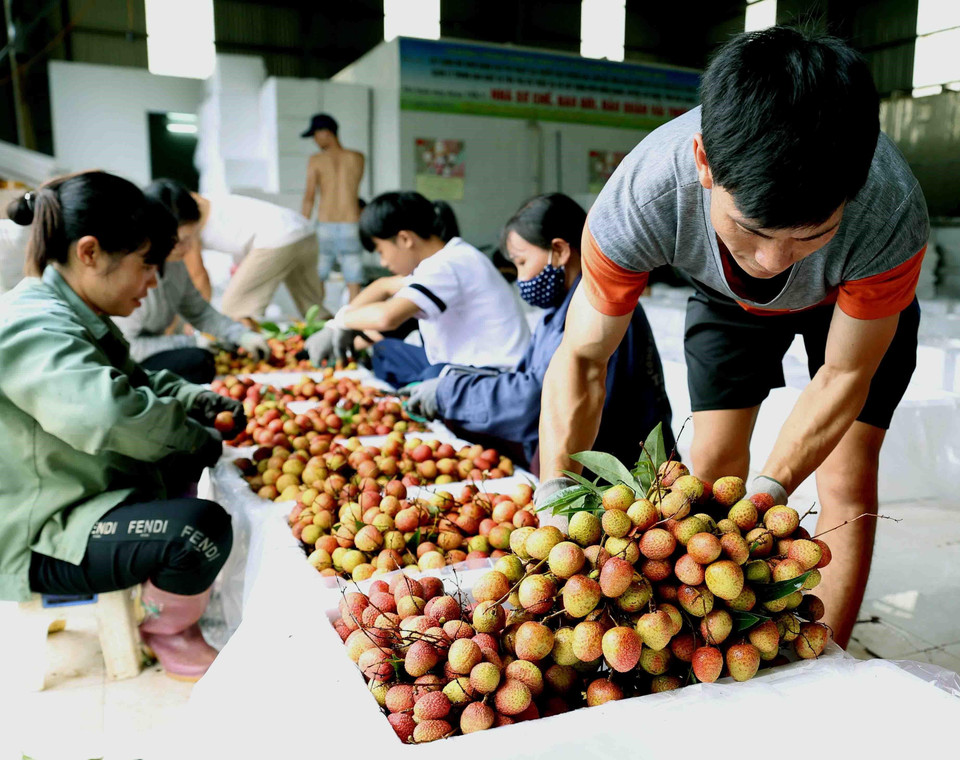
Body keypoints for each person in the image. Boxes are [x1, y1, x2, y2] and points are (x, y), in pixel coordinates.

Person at [535, 27, 928, 649]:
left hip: (854, 304)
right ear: (704, 164)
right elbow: (583, 355)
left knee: (845, 478)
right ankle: (709, 646)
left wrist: (772, 491)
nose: (774, 261)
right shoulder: (641, 199)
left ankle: (826, 657)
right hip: (726, 299)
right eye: (750, 230)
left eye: (808, 234)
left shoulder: (888, 213)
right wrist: (552, 494)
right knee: (715, 470)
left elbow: (845, 375)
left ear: (849, 197)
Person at [0, 171, 242, 680]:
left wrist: (195, 401)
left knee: (190, 452)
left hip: (79, 493)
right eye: (146, 264)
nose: (154, 281)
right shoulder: (33, 325)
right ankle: (165, 631)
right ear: (89, 252)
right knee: (199, 531)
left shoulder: (73, 313)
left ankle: (159, 585)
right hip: (42, 531)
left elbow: (137, 381)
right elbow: (109, 413)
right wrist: (194, 433)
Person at [404, 193, 675, 471]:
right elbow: (527, 377)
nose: (521, 279)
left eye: (522, 262)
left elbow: (537, 399)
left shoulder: (599, 309)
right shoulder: (560, 308)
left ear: (559, 251)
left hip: (617, 468)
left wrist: (450, 394)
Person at [304, 191, 530, 387]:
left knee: (432, 376)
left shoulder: (447, 265)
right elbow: (382, 286)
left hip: (494, 379)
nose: (383, 263)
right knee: (387, 353)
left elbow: (387, 317)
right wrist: (334, 327)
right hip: (472, 370)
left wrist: (343, 320)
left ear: (404, 239)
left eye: (381, 251)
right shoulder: (448, 259)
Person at [144, 179, 327, 324]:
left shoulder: (183, 221)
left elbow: (199, 277)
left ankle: (255, 362)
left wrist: (196, 321)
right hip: (302, 230)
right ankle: (342, 343)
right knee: (312, 307)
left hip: (277, 237)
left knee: (235, 308)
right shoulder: (194, 202)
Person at [113, 218, 271, 384]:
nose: (188, 248)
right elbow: (130, 348)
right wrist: (191, 341)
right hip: (131, 360)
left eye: (192, 240)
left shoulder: (176, 266)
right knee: (197, 360)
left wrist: (241, 335)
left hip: (152, 348)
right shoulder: (132, 279)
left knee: (209, 358)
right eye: (180, 241)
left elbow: (200, 312)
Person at [300, 113, 366, 301]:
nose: (314, 139)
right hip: (351, 222)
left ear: (326, 132)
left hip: (326, 223)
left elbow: (309, 197)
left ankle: (317, 320)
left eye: (315, 134)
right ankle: (355, 324)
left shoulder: (316, 160)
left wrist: (303, 227)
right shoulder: (358, 158)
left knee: (318, 275)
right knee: (353, 277)